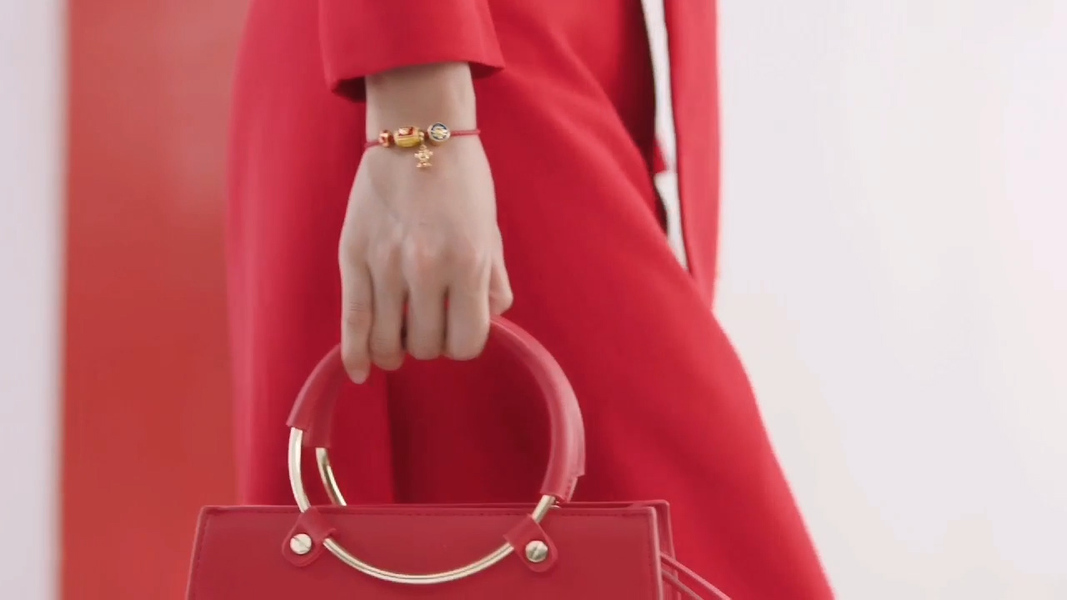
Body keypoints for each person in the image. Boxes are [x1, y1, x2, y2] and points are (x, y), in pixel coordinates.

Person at [226, 1, 834, 597]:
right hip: (443, 79)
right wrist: (422, 126)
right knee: (699, 528)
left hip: (513, 68)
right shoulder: (429, 122)